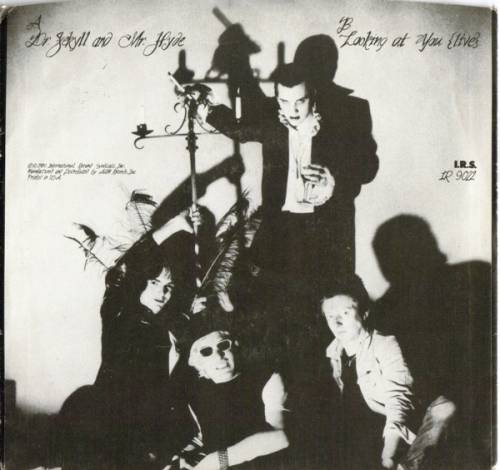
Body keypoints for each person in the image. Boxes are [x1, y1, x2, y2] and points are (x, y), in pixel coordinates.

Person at [58, 209, 207, 470]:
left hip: (145, 434)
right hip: (107, 427)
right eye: (154, 283)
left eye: (168, 287)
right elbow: (127, 269)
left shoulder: (164, 326)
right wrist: (174, 225)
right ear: (139, 282)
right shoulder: (119, 313)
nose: (162, 293)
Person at [321, 276, 416, 469]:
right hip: (357, 441)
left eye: (345, 313)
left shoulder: (385, 345)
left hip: (393, 437)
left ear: (364, 313)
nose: (337, 323)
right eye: (330, 316)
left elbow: (398, 402)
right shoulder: (332, 353)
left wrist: (388, 457)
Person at [175, 313, 289, 470]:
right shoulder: (198, 391)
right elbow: (205, 435)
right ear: (197, 361)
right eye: (206, 351)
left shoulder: (267, 379)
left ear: (234, 347)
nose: (218, 356)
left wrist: (217, 460)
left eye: (223, 346)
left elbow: (281, 438)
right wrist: (185, 455)